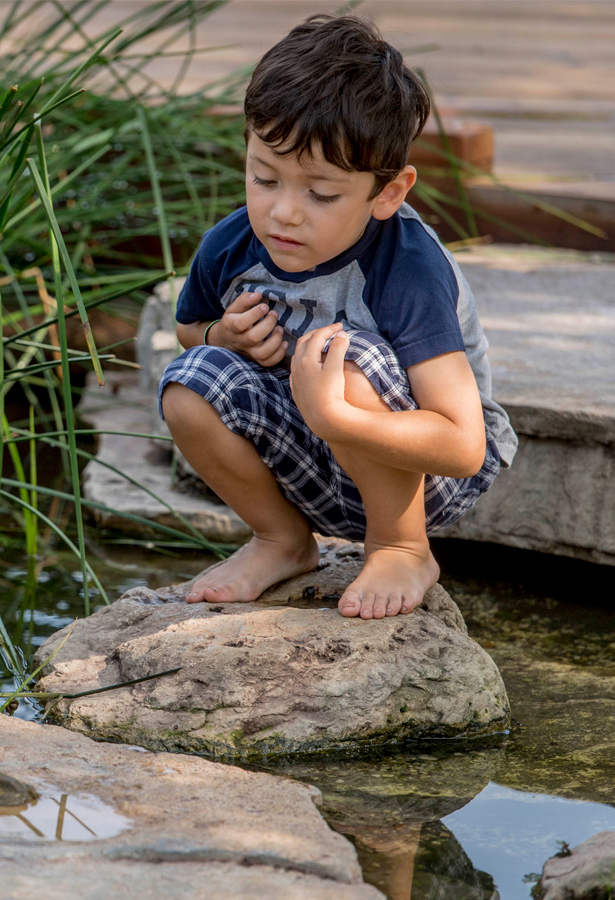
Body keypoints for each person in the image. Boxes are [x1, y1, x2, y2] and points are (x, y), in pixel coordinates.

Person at [159, 14, 516, 620]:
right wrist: (225, 336)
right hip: (310, 464)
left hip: (425, 474)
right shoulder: (233, 244)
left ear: (388, 193)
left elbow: (463, 447)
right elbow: (190, 331)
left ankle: (402, 547)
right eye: (264, 178)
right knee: (189, 382)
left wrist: (337, 415)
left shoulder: (404, 264)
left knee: (346, 358)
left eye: (320, 194)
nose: (283, 214)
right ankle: (281, 540)